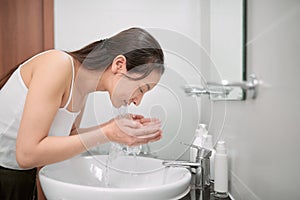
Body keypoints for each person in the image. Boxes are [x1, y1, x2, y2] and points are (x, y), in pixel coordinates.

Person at [0, 27, 164, 200]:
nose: (138, 101)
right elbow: (26, 154)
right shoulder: (58, 65)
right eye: (141, 89)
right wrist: (107, 132)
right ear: (119, 64)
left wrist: (112, 130)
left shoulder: (81, 87)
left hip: (21, 179)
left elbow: (67, 138)